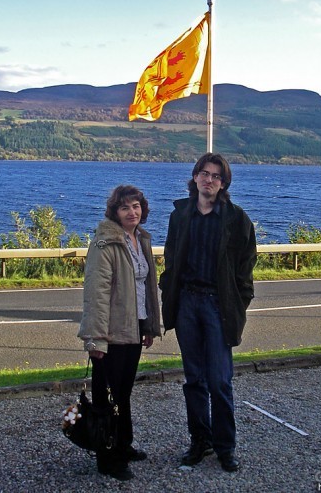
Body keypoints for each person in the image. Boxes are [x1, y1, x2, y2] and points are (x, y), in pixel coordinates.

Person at [160, 153, 257, 472]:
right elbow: (171, 257)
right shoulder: (180, 215)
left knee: (220, 381)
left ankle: (225, 447)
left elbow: (246, 268)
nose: (209, 179)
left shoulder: (236, 218)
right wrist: (168, 289)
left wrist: (237, 303)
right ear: (195, 177)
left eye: (216, 176)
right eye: (204, 173)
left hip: (218, 306)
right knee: (195, 379)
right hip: (187, 302)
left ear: (223, 182)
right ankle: (199, 441)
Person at [78, 185, 161, 481]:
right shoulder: (106, 243)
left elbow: (146, 288)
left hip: (135, 326)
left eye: (136, 206)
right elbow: (96, 293)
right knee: (107, 396)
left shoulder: (141, 239)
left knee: (123, 393)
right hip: (110, 331)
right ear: (115, 211)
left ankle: (122, 445)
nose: (132, 212)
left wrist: (149, 326)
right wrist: (96, 338)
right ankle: (107, 457)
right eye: (125, 207)